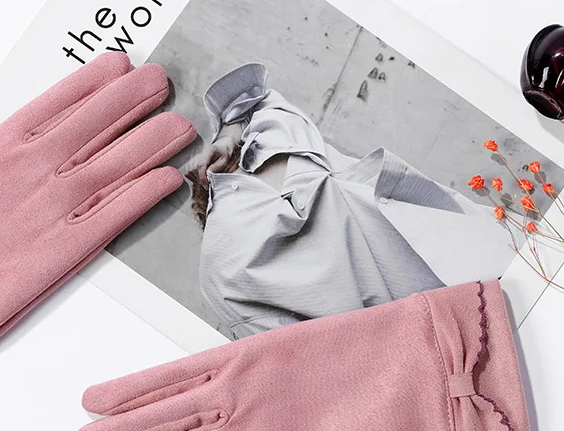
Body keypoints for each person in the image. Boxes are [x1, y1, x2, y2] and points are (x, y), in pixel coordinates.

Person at [186, 63, 508, 338]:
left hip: (432, 322)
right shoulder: (278, 134)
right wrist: (226, 137)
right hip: (468, 249)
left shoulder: (221, 269)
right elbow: (246, 98)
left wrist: (227, 138)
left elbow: (284, 348)